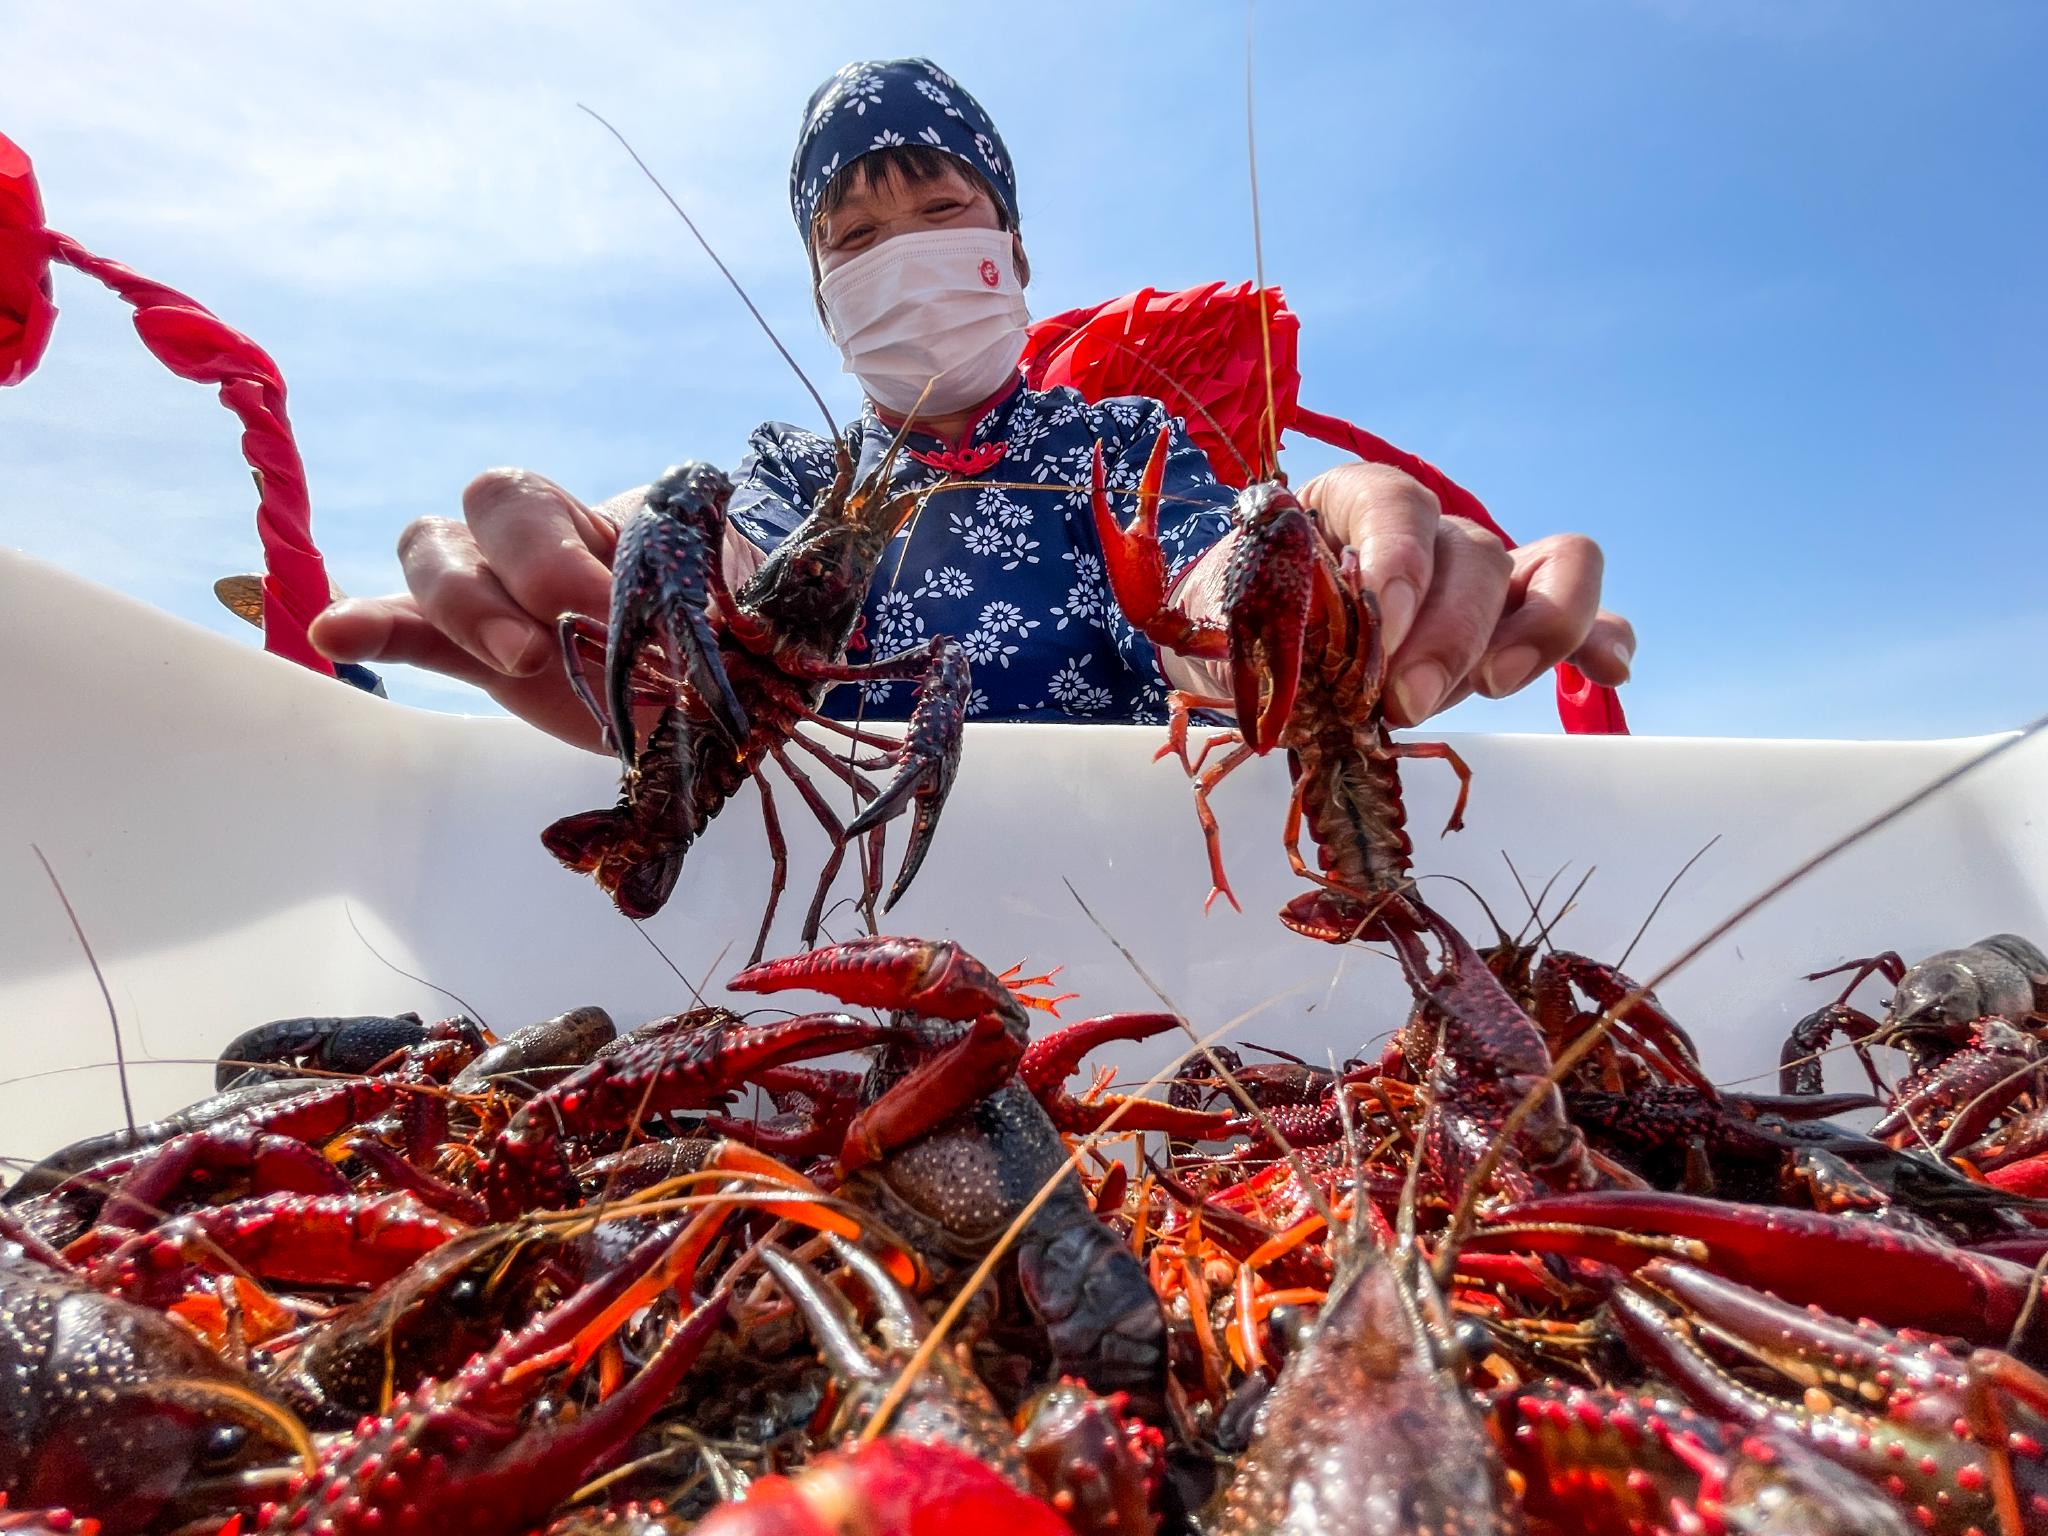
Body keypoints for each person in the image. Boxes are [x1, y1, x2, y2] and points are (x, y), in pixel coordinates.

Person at [308, 57, 1633, 747]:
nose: (905, 257)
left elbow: (1214, 566)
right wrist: (618, 587)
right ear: (823, 300)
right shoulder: (781, 475)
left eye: (943, 214)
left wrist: (1320, 590)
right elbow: (709, 547)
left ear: (1015, 253)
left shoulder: (1132, 446)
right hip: (833, 954)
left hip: (1129, 926)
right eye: (855, 237)